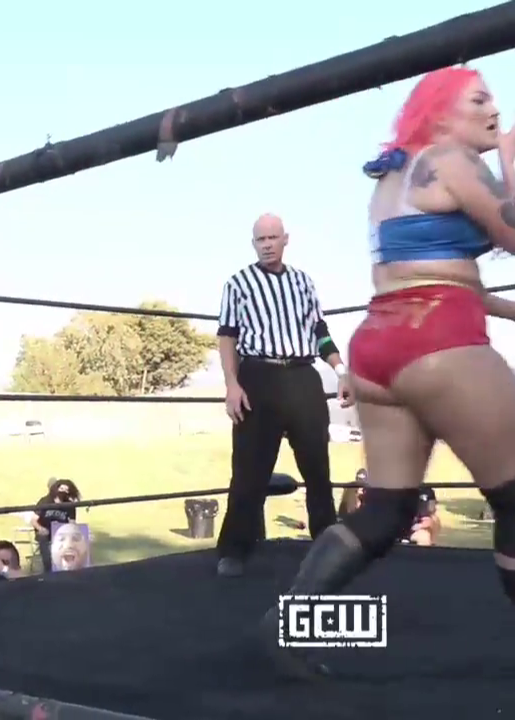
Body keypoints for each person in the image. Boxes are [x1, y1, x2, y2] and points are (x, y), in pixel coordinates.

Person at [260, 66, 515, 678]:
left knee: (388, 509)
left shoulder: (398, 174)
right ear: (441, 113)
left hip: (380, 343)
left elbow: (434, 272)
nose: (494, 110)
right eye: (479, 100)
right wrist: (511, 160)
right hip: (439, 339)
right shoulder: (452, 159)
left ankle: (286, 627)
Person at [214, 213, 353, 578]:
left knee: (317, 467)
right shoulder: (238, 283)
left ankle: (325, 547)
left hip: (303, 375)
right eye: (261, 239)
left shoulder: (303, 282)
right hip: (258, 375)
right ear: (253, 244)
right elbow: (227, 335)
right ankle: (234, 550)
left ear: (285, 239)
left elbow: (320, 331)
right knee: (249, 469)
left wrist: (341, 371)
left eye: (272, 238)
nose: (267, 245)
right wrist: (232, 384)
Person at [29, 479, 81, 572]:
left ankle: (71, 569)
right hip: (45, 532)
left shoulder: (69, 505)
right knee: (43, 539)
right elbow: (33, 520)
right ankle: (48, 570)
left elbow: (72, 523)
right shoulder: (45, 501)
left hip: (62, 533)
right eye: (61, 489)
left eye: (66, 490)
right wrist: (40, 528)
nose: (63, 492)